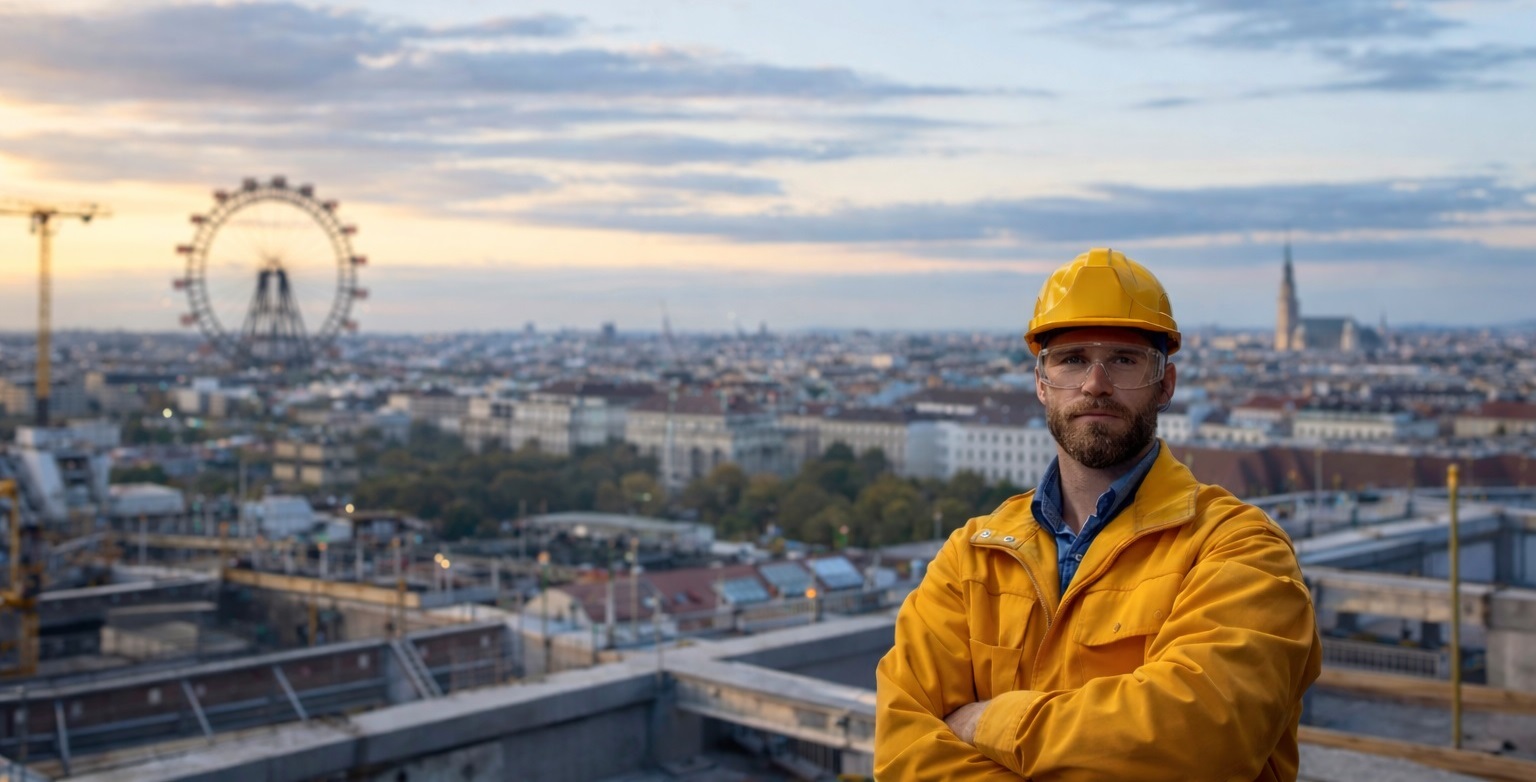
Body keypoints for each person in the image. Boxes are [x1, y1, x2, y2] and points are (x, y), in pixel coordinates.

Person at [875, 248, 1322, 781]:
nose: (1095, 383)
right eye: (1071, 359)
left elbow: (1198, 740)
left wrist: (990, 721)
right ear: (1042, 384)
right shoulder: (970, 557)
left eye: (1124, 360)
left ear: (1166, 385)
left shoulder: (1242, 548)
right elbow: (902, 752)